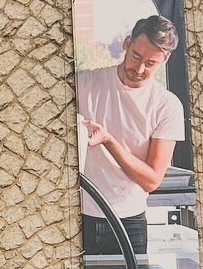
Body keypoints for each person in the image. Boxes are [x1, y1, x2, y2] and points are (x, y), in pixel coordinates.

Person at [78, 13, 184, 256]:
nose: (139, 68)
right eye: (136, 56)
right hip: (79, 216)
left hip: (129, 222)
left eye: (150, 63)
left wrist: (109, 141)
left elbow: (151, 180)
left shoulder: (167, 105)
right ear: (127, 43)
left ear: (165, 60)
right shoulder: (84, 84)